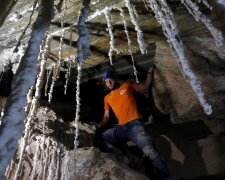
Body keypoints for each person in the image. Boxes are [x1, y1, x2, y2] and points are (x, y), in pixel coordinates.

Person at [96, 66, 171, 180]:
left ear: (115, 79)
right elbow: (106, 116)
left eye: (110, 79)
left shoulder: (126, 87)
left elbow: (145, 87)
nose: (109, 83)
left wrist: (149, 72)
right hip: (120, 128)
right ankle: (121, 156)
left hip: (134, 125)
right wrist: (98, 125)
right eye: (106, 81)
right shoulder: (107, 98)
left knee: (151, 151)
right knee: (102, 137)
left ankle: (167, 178)